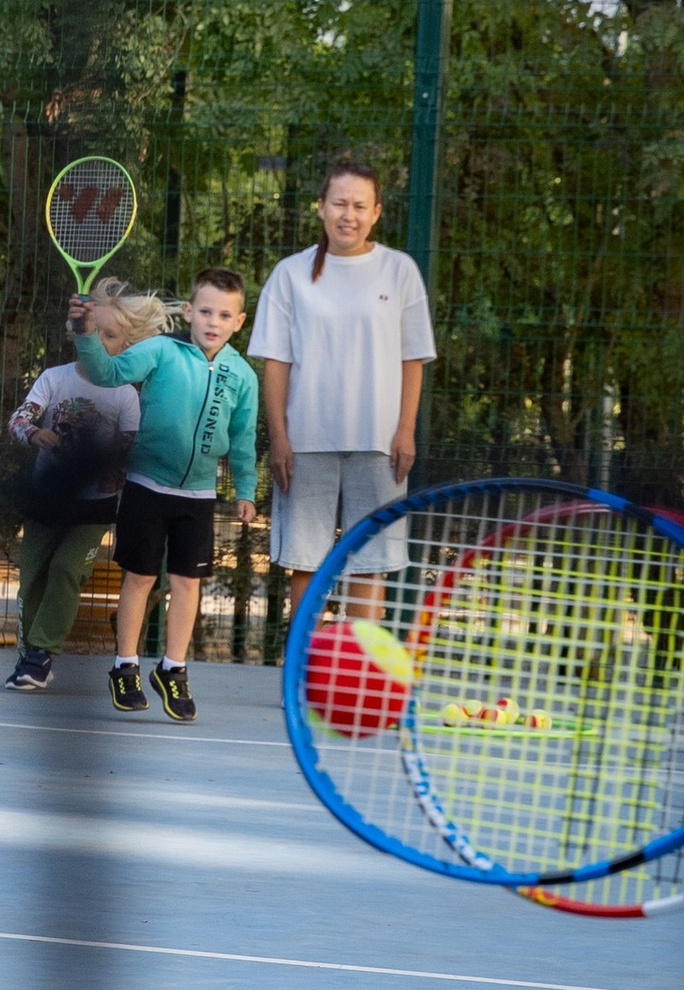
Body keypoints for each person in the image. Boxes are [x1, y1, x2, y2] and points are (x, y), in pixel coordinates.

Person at [69, 270, 261, 721]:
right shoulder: (161, 351)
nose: (214, 321)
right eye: (207, 311)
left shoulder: (243, 376)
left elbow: (243, 437)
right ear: (190, 312)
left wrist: (246, 489)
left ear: (239, 321)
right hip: (145, 487)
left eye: (225, 314)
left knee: (187, 582)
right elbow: (106, 371)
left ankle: (173, 669)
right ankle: (126, 666)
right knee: (139, 577)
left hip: (197, 497)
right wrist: (86, 334)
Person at [249, 158, 435, 620]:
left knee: (369, 563)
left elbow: (413, 359)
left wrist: (405, 430)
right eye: (339, 203)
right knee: (304, 562)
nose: (347, 215)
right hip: (305, 444)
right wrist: (280, 438)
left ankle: (357, 682)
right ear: (320, 207)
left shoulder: (400, 270)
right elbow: (276, 364)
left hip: (380, 445)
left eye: (359, 205)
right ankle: (303, 675)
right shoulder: (289, 274)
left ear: (376, 212)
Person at [2, 309, 141, 689]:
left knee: (66, 569)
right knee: (32, 576)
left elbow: (129, 452)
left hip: (93, 508)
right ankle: (30, 655)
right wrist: (33, 433)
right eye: (91, 333)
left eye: (109, 337)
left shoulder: (125, 394)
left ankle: (41, 653)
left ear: (124, 346)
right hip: (47, 500)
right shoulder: (54, 378)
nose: (98, 342)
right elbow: (19, 418)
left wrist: (111, 476)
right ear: (76, 335)